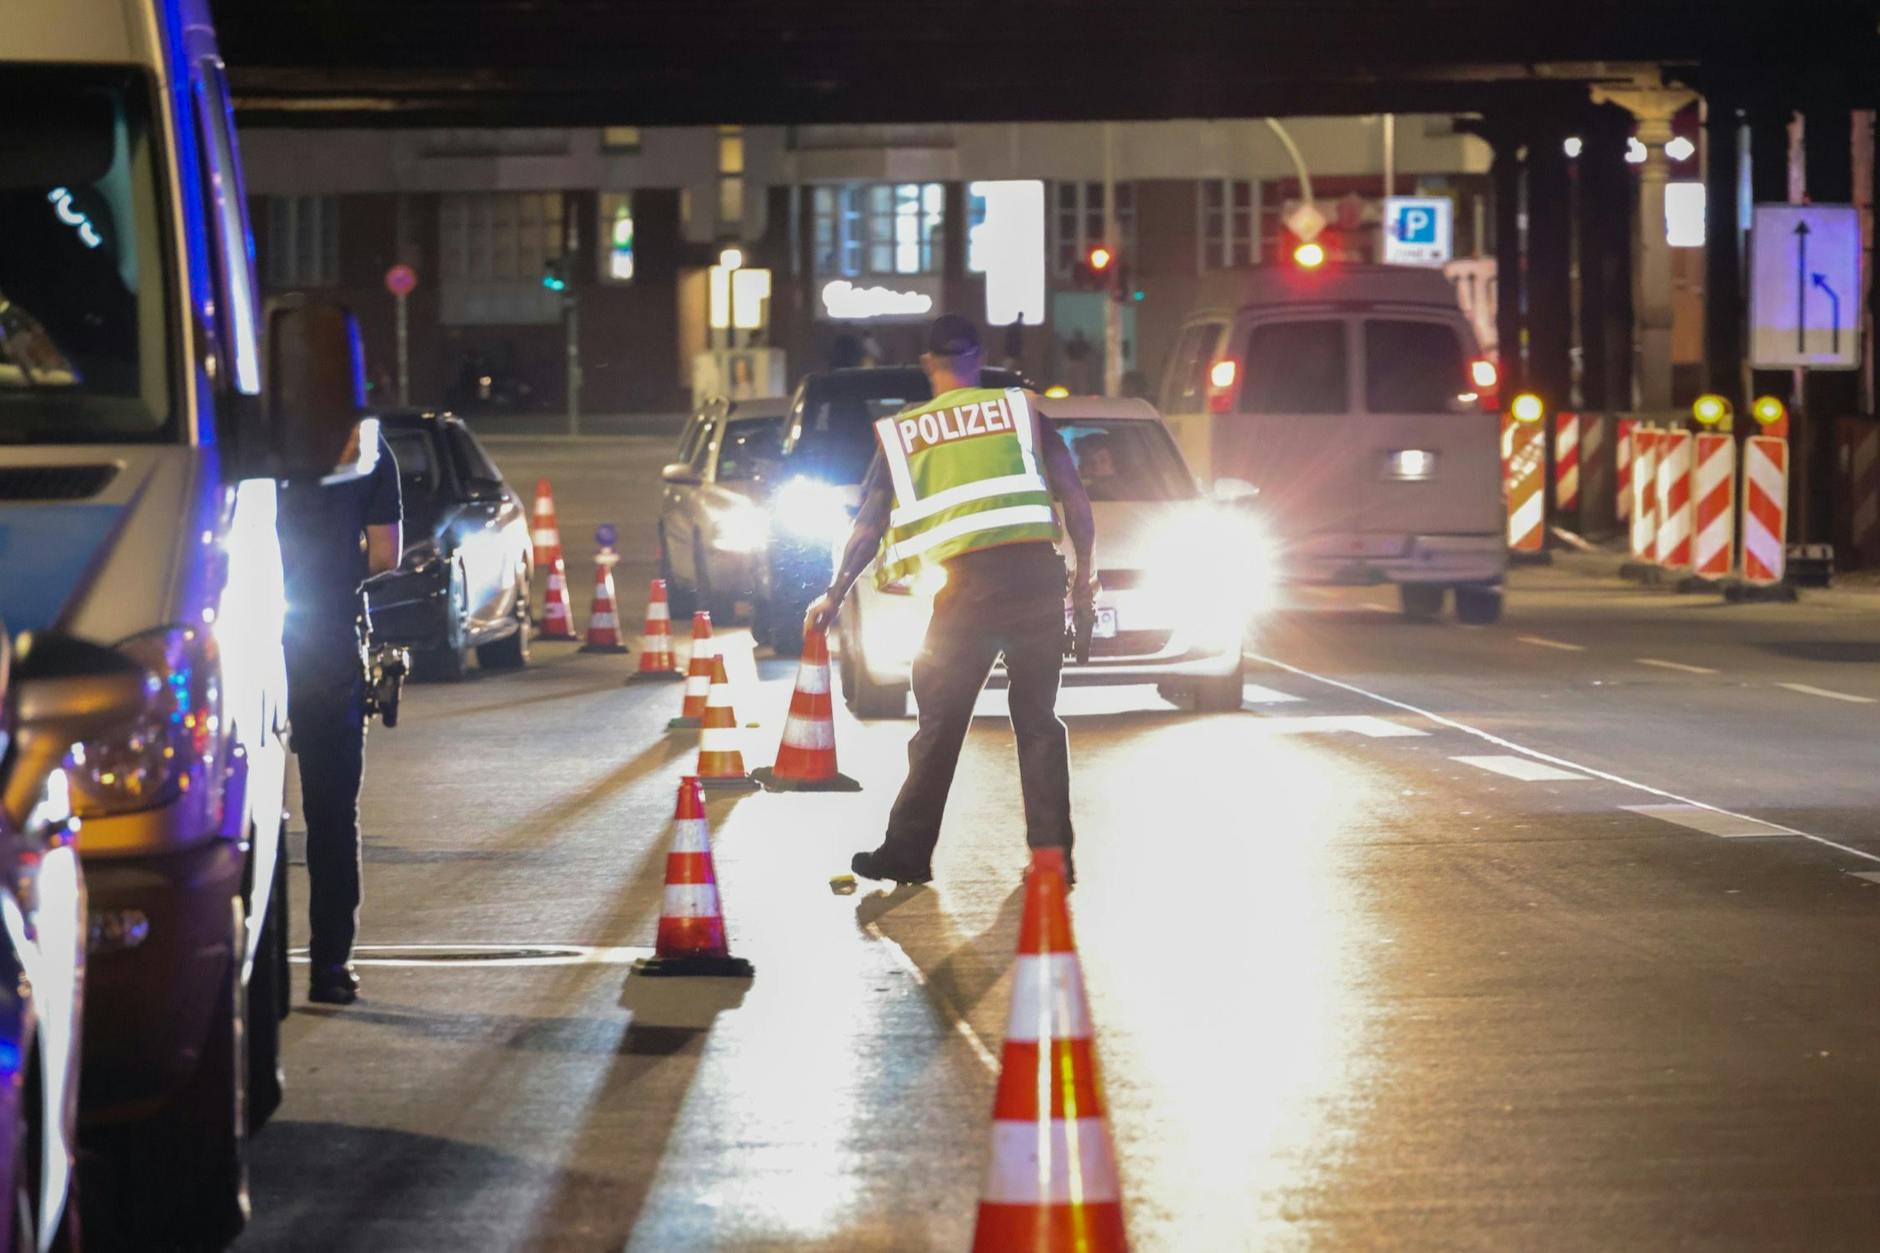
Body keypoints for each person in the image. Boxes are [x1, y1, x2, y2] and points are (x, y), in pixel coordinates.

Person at [803, 315, 1097, 885]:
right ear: (979, 357)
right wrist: (1085, 576)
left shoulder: (907, 432)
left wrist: (835, 593)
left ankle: (908, 853)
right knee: (1038, 720)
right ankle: (1052, 859)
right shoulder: (1023, 412)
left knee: (939, 723)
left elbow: (868, 525)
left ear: (927, 364)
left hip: (967, 591)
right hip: (1038, 579)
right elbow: (1075, 498)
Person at [277, 421, 403, 1005]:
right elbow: (385, 553)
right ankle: (330, 966)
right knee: (329, 812)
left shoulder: (249, 440)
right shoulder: (370, 451)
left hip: (238, 635)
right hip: (327, 646)